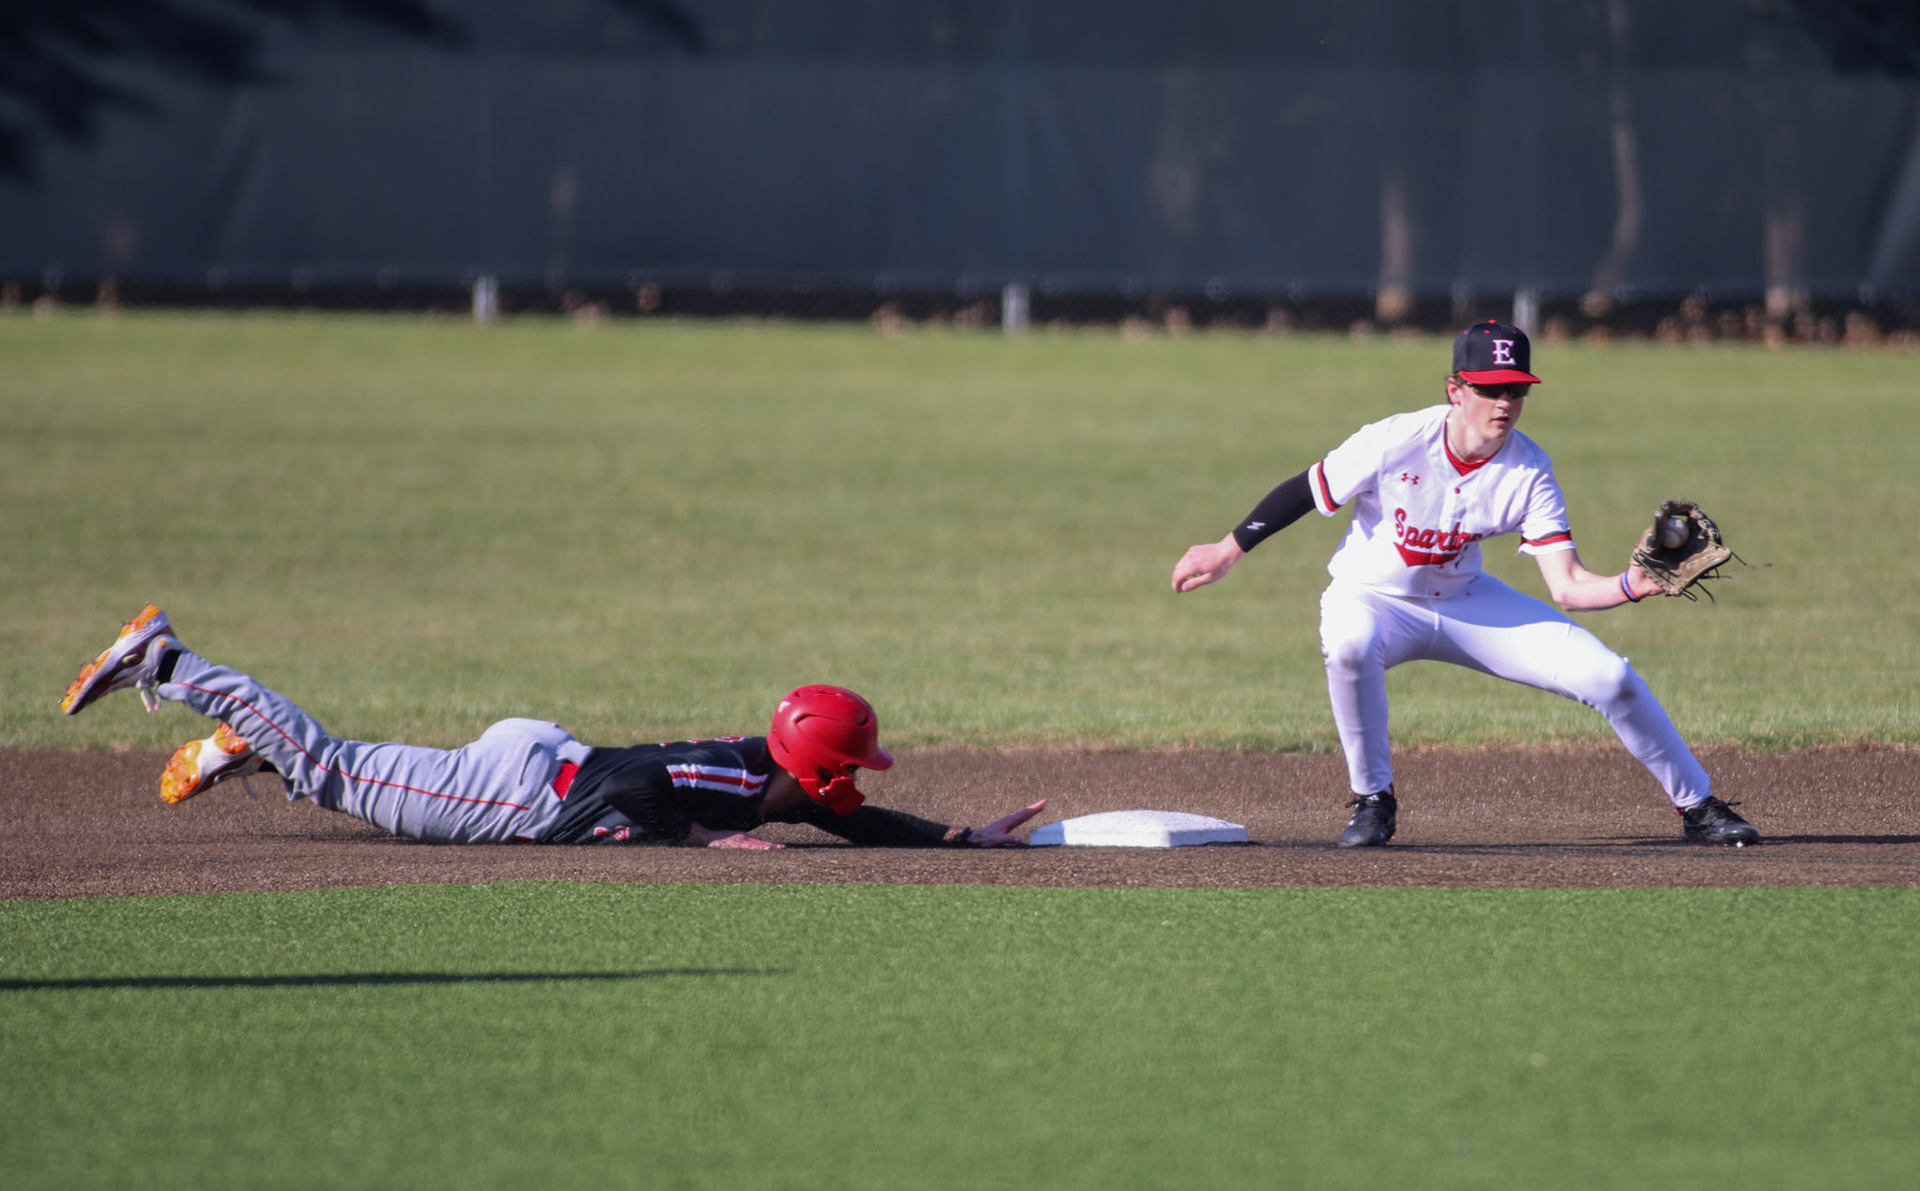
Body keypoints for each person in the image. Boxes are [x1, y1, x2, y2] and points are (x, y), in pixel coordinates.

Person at [1170, 322, 1758, 849]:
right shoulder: (1395, 439)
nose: (1504, 402)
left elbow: (1571, 587)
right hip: (1371, 598)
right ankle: (1374, 800)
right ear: (1455, 389)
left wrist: (1636, 584)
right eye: (1489, 388)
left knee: (1611, 677)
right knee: (1348, 644)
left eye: (1516, 390)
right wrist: (1228, 549)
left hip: (1466, 603)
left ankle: (1698, 806)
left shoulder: (1529, 471)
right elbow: (1306, 488)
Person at [60, 605, 1047, 849]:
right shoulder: (730, 785)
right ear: (820, 765)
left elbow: (850, 820)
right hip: (520, 790)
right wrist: (704, 838)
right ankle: (172, 660)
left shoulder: (775, 768)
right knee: (328, 770)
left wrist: (962, 836)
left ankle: (240, 743)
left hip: (538, 758)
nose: (856, 780)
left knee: (336, 766)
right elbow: (631, 794)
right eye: (852, 763)